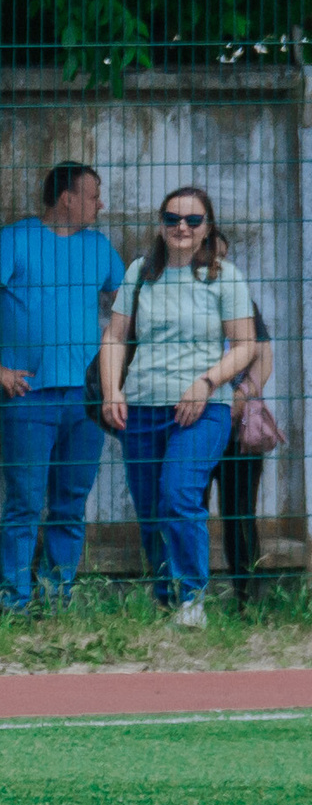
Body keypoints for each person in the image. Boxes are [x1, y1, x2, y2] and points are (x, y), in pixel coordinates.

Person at [0, 162, 121, 612]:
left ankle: (57, 596)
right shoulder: (15, 240)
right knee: (24, 503)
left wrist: (114, 379)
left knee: (71, 502)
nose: (100, 204)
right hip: (30, 396)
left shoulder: (100, 248)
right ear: (67, 198)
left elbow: (128, 312)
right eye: (93, 195)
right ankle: (13, 600)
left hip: (87, 398)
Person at [95, 188, 255, 628]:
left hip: (203, 408)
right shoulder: (140, 272)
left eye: (192, 220)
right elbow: (115, 337)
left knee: (179, 495)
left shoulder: (225, 277)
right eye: (172, 218)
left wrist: (207, 382)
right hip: (142, 405)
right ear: (161, 223)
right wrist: (112, 391)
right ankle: (165, 599)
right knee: (150, 510)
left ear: (208, 226)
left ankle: (192, 600)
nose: (181, 227)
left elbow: (245, 346)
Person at [213, 307, 275, 609]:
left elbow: (264, 356)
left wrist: (243, 393)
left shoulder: (241, 300)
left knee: (239, 514)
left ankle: (248, 602)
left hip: (239, 428)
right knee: (184, 508)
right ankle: (184, 597)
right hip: (190, 419)